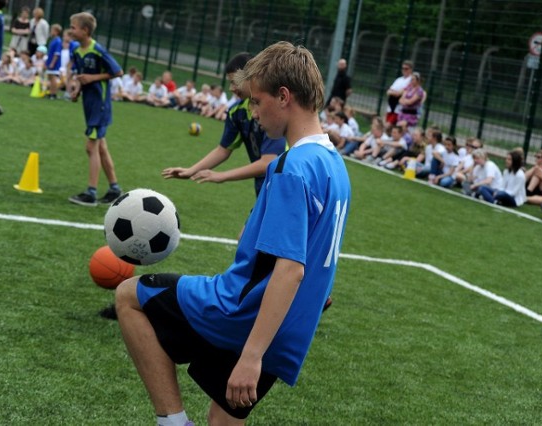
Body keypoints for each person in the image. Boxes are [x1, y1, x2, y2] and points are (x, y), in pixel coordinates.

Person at [116, 40, 351, 426]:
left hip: (242, 314)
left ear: (284, 97)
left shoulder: (293, 167)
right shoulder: (333, 164)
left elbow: (291, 269)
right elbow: (322, 249)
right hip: (288, 329)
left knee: (129, 295)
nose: (253, 113)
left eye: (256, 102)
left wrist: (252, 355)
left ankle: (172, 422)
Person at [162, 52, 286, 198]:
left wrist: (221, 176)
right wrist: (191, 170)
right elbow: (223, 150)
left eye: (235, 81)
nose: (231, 88)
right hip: (264, 186)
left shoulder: (271, 110)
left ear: (252, 77)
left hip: (283, 184)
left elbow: (268, 162)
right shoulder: (236, 112)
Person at [67, 12, 124, 207]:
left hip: (100, 105)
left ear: (85, 30)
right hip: (89, 105)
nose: (70, 30)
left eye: (73, 27)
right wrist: (76, 89)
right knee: (101, 147)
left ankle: (91, 193)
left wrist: (93, 79)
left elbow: (117, 71)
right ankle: (115, 189)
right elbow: (80, 75)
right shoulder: (76, 50)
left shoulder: (98, 50)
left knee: (91, 147)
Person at [45, 24, 63, 100]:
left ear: (56, 31)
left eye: (52, 30)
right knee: (50, 77)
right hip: (50, 61)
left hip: (54, 63)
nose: (50, 32)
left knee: (53, 78)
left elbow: (57, 53)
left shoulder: (58, 41)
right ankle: (51, 92)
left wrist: (52, 63)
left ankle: (53, 94)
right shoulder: (53, 40)